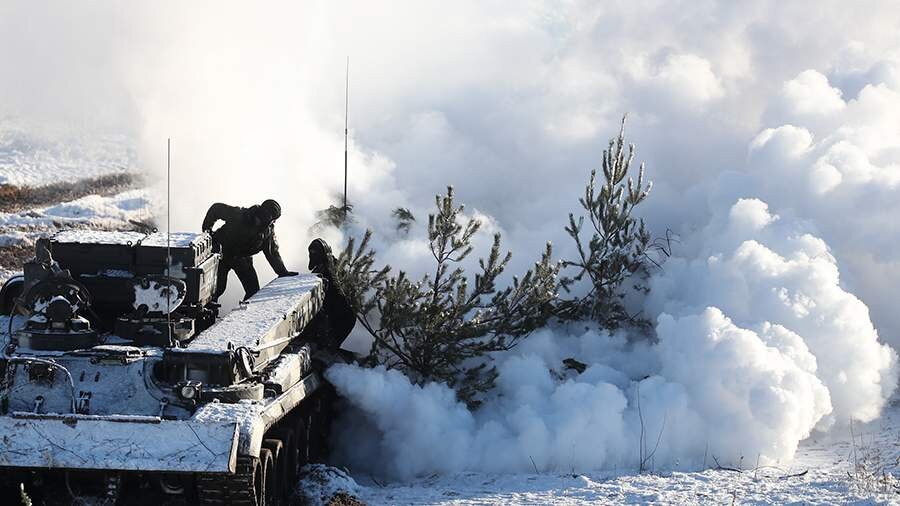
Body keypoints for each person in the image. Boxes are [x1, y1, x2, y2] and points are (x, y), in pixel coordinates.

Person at [202, 199, 298, 301]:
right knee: (217, 289)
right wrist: (208, 232)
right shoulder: (240, 215)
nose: (273, 222)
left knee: (253, 291)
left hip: (242, 259)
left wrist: (282, 271)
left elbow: (272, 252)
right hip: (222, 255)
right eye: (273, 219)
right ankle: (208, 313)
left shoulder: (267, 232)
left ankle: (243, 313)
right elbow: (216, 209)